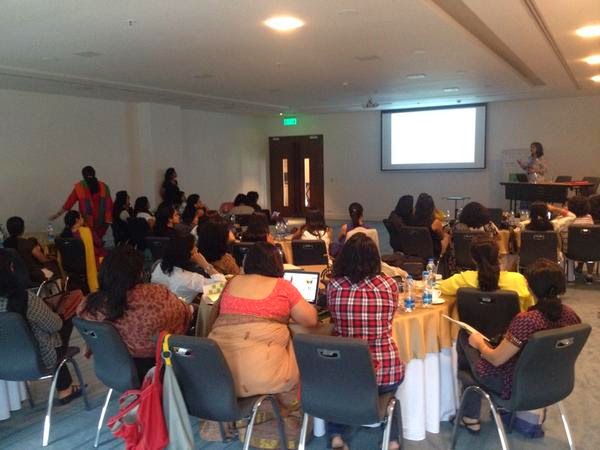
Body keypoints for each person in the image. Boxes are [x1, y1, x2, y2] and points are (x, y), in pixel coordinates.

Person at [208, 242, 317, 447]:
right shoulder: (283, 287)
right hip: (262, 376)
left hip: (221, 374)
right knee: (297, 345)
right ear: (277, 263)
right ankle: (284, 415)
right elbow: (311, 320)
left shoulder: (231, 283)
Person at [455, 259, 581, 433]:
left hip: (514, 385)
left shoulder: (527, 321)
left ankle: (470, 414)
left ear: (530, 287)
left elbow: (496, 360)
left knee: (465, 336)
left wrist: (479, 344)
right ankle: (490, 409)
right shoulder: (571, 316)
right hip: (554, 382)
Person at [326, 233, 403, 450]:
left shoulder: (334, 286)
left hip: (345, 371)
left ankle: (336, 437)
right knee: (391, 398)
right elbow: (389, 319)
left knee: (335, 384)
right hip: (384, 371)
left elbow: (334, 318)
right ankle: (393, 441)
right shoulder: (389, 285)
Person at [78, 246, 191, 379]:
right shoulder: (157, 296)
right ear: (140, 273)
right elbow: (183, 315)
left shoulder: (90, 304)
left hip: (113, 367)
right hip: (157, 368)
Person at [0, 252, 82, 404]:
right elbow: (54, 325)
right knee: (64, 319)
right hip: (41, 358)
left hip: (6, 364)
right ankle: (65, 389)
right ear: (11, 268)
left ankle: (65, 386)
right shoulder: (26, 299)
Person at [438, 235, 534, 311]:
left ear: (473, 259)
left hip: (473, 330)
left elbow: (439, 288)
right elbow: (530, 308)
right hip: (513, 330)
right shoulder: (518, 280)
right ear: (498, 256)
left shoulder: (462, 279)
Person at [151, 235, 226, 303]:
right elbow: (222, 287)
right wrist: (205, 265)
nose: (197, 249)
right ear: (188, 254)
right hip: (180, 311)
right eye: (194, 247)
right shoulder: (190, 279)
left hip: (158, 304)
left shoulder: (159, 265)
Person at [49, 166, 113, 239]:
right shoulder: (104, 187)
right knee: (97, 242)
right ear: (94, 174)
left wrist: (57, 215)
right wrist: (108, 222)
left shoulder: (80, 187)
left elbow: (69, 203)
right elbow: (109, 206)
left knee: (89, 242)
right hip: (101, 223)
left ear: (83, 176)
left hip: (87, 223)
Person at [3, 216, 59, 283]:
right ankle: (60, 287)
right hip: (32, 276)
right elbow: (43, 259)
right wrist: (51, 259)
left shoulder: (5, 244)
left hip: (14, 277)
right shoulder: (26, 243)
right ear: (22, 229)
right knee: (54, 264)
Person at [558, 195, 594, 282]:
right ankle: (590, 274)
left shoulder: (563, 219)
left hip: (569, 250)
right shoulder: (589, 218)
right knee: (586, 244)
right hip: (589, 251)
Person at [410, 193, 450, 258]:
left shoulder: (411, 221)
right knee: (447, 236)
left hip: (416, 250)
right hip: (433, 251)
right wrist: (445, 232)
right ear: (431, 207)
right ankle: (447, 262)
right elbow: (441, 237)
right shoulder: (435, 223)